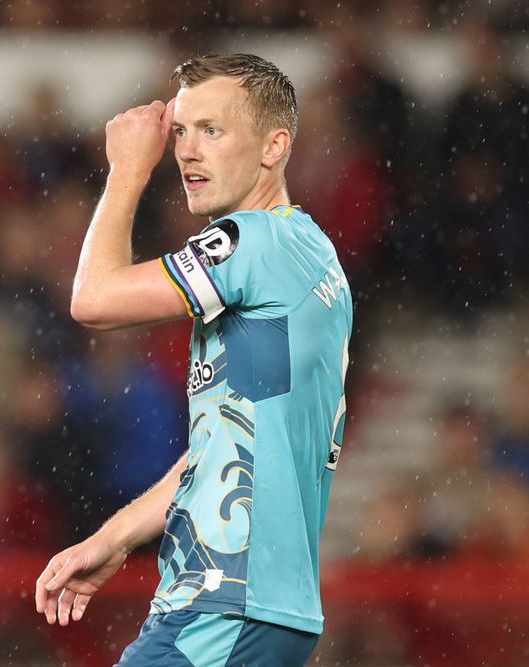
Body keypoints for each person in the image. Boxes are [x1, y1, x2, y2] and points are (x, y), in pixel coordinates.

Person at [34, 53, 353, 666]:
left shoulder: (253, 240)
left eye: (212, 129)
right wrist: (114, 536)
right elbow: (228, 446)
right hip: (261, 605)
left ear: (273, 146)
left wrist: (127, 169)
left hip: (227, 597)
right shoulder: (306, 255)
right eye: (180, 131)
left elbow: (92, 300)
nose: (185, 151)